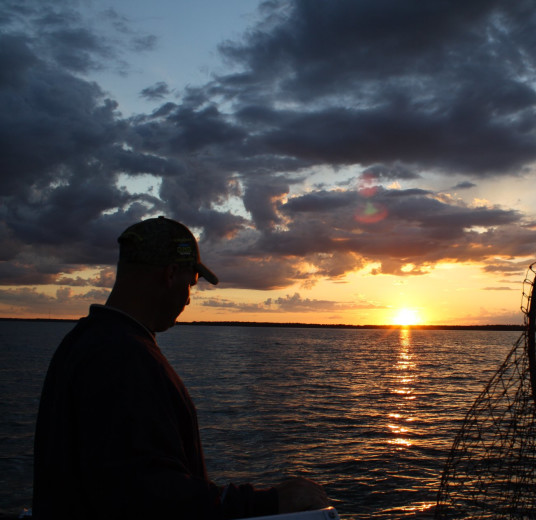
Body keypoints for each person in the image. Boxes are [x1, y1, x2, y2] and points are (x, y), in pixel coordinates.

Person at [33, 216, 330, 519]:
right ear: (171, 274)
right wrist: (271, 502)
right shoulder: (123, 358)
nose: (189, 298)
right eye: (191, 283)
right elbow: (146, 495)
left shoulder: (82, 342)